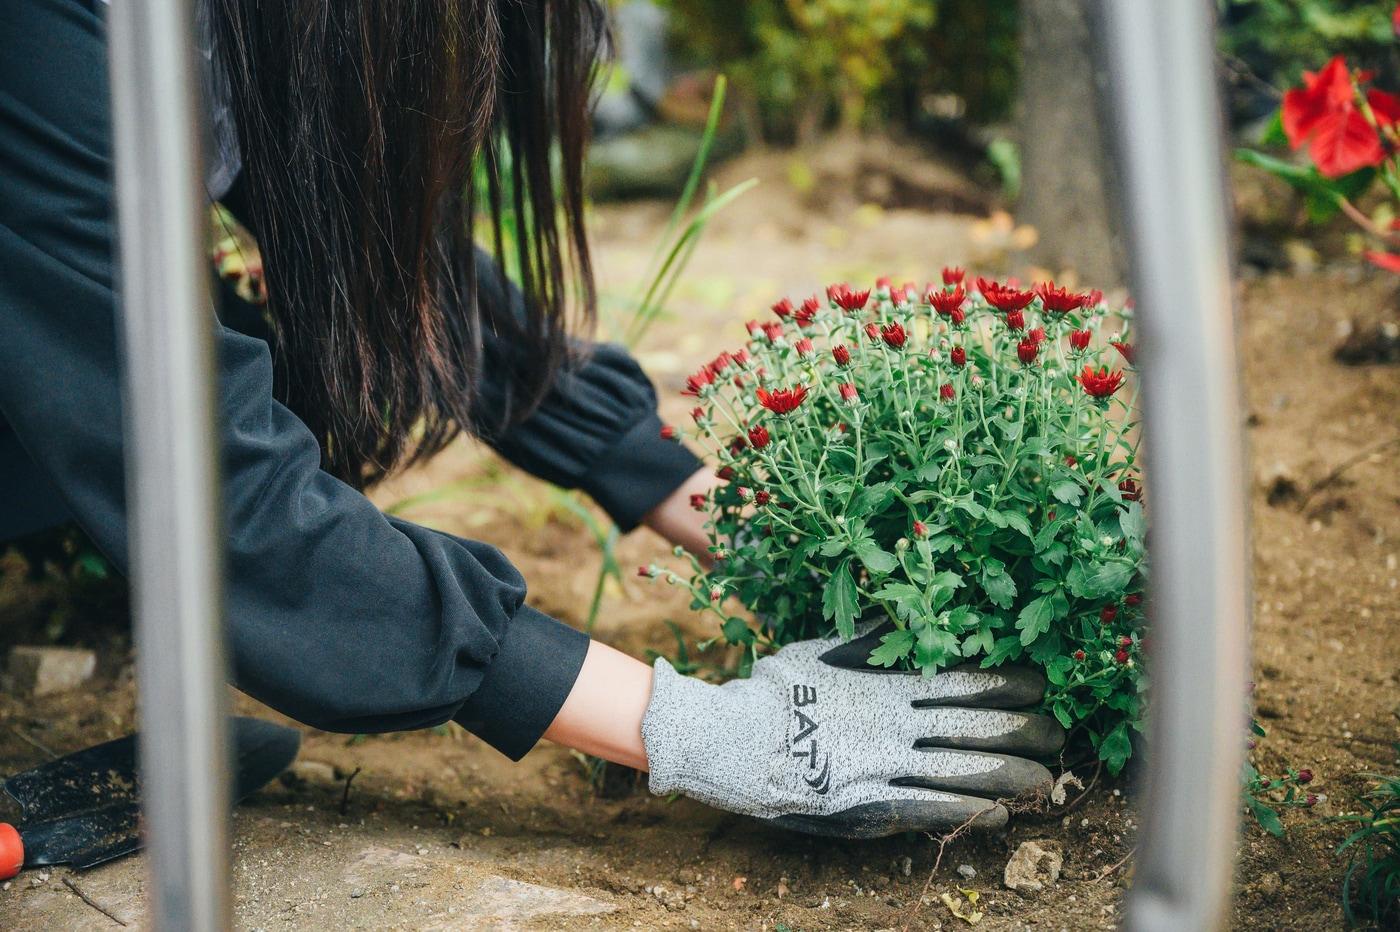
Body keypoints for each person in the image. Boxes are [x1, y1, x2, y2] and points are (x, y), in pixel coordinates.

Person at [0, 0, 1061, 838]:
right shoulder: (49, 35)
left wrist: (717, 509)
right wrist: (703, 727)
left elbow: (391, 269)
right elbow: (222, 500)